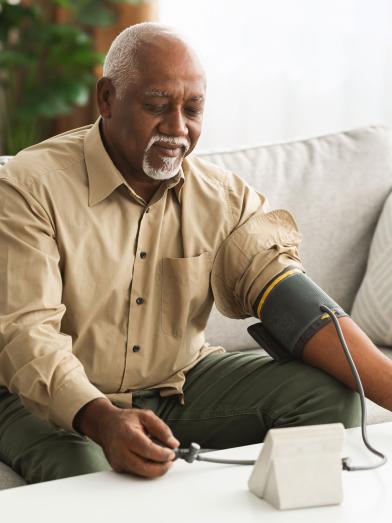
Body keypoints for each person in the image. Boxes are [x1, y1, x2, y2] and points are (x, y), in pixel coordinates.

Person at [0, 22, 391, 484]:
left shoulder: (223, 198)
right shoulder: (29, 187)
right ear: (106, 99)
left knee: (329, 396)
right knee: (91, 476)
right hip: (48, 403)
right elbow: (25, 333)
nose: (177, 128)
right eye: (157, 106)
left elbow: (293, 303)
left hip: (176, 385)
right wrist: (102, 421)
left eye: (193, 108)